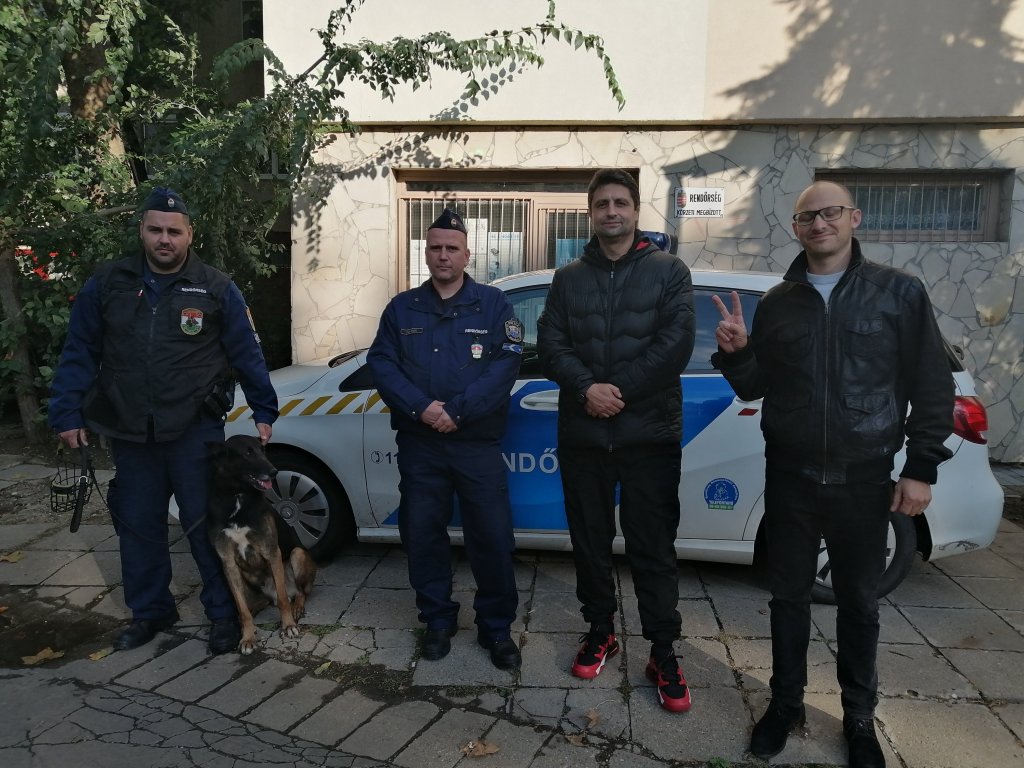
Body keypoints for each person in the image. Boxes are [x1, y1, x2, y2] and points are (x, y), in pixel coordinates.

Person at [711, 180, 954, 768]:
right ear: (795, 228)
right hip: (790, 476)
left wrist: (920, 468)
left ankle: (859, 718)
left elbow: (932, 385)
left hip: (864, 479)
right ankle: (785, 705)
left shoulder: (898, 293)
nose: (819, 224)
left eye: (830, 213)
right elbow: (757, 387)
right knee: (787, 598)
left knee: (859, 605)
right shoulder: (779, 302)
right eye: (806, 217)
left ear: (854, 218)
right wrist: (738, 352)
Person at [49, 187, 279, 655]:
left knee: (206, 526)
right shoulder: (109, 284)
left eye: (174, 231)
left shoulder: (215, 287)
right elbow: (80, 351)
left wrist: (264, 410)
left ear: (190, 234)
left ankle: (223, 614)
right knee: (138, 526)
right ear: (142, 231)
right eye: (155, 229)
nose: (164, 239)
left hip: (195, 432)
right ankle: (151, 611)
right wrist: (67, 412)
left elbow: (246, 352)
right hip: (130, 429)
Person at [536, 169, 696, 712]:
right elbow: (550, 343)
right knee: (590, 543)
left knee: (654, 548)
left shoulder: (669, 271)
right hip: (584, 436)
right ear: (591, 213)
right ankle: (600, 631)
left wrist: (615, 392)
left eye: (620, 202)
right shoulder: (567, 278)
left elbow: (676, 344)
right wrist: (587, 388)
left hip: (649, 436)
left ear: (635, 210)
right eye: (602, 203)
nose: (611, 211)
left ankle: (663, 651)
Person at [366, 208, 523, 670]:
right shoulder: (402, 308)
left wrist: (458, 411)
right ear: (426, 253)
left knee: (492, 536)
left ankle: (496, 628)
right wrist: (422, 407)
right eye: (435, 247)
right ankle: (437, 620)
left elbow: (506, 366)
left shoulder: (494, 305)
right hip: (421, 444)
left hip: (476, 443)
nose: (443, 255)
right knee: (421, 533)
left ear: (467, 254)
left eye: (452, 248)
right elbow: (382, 364)